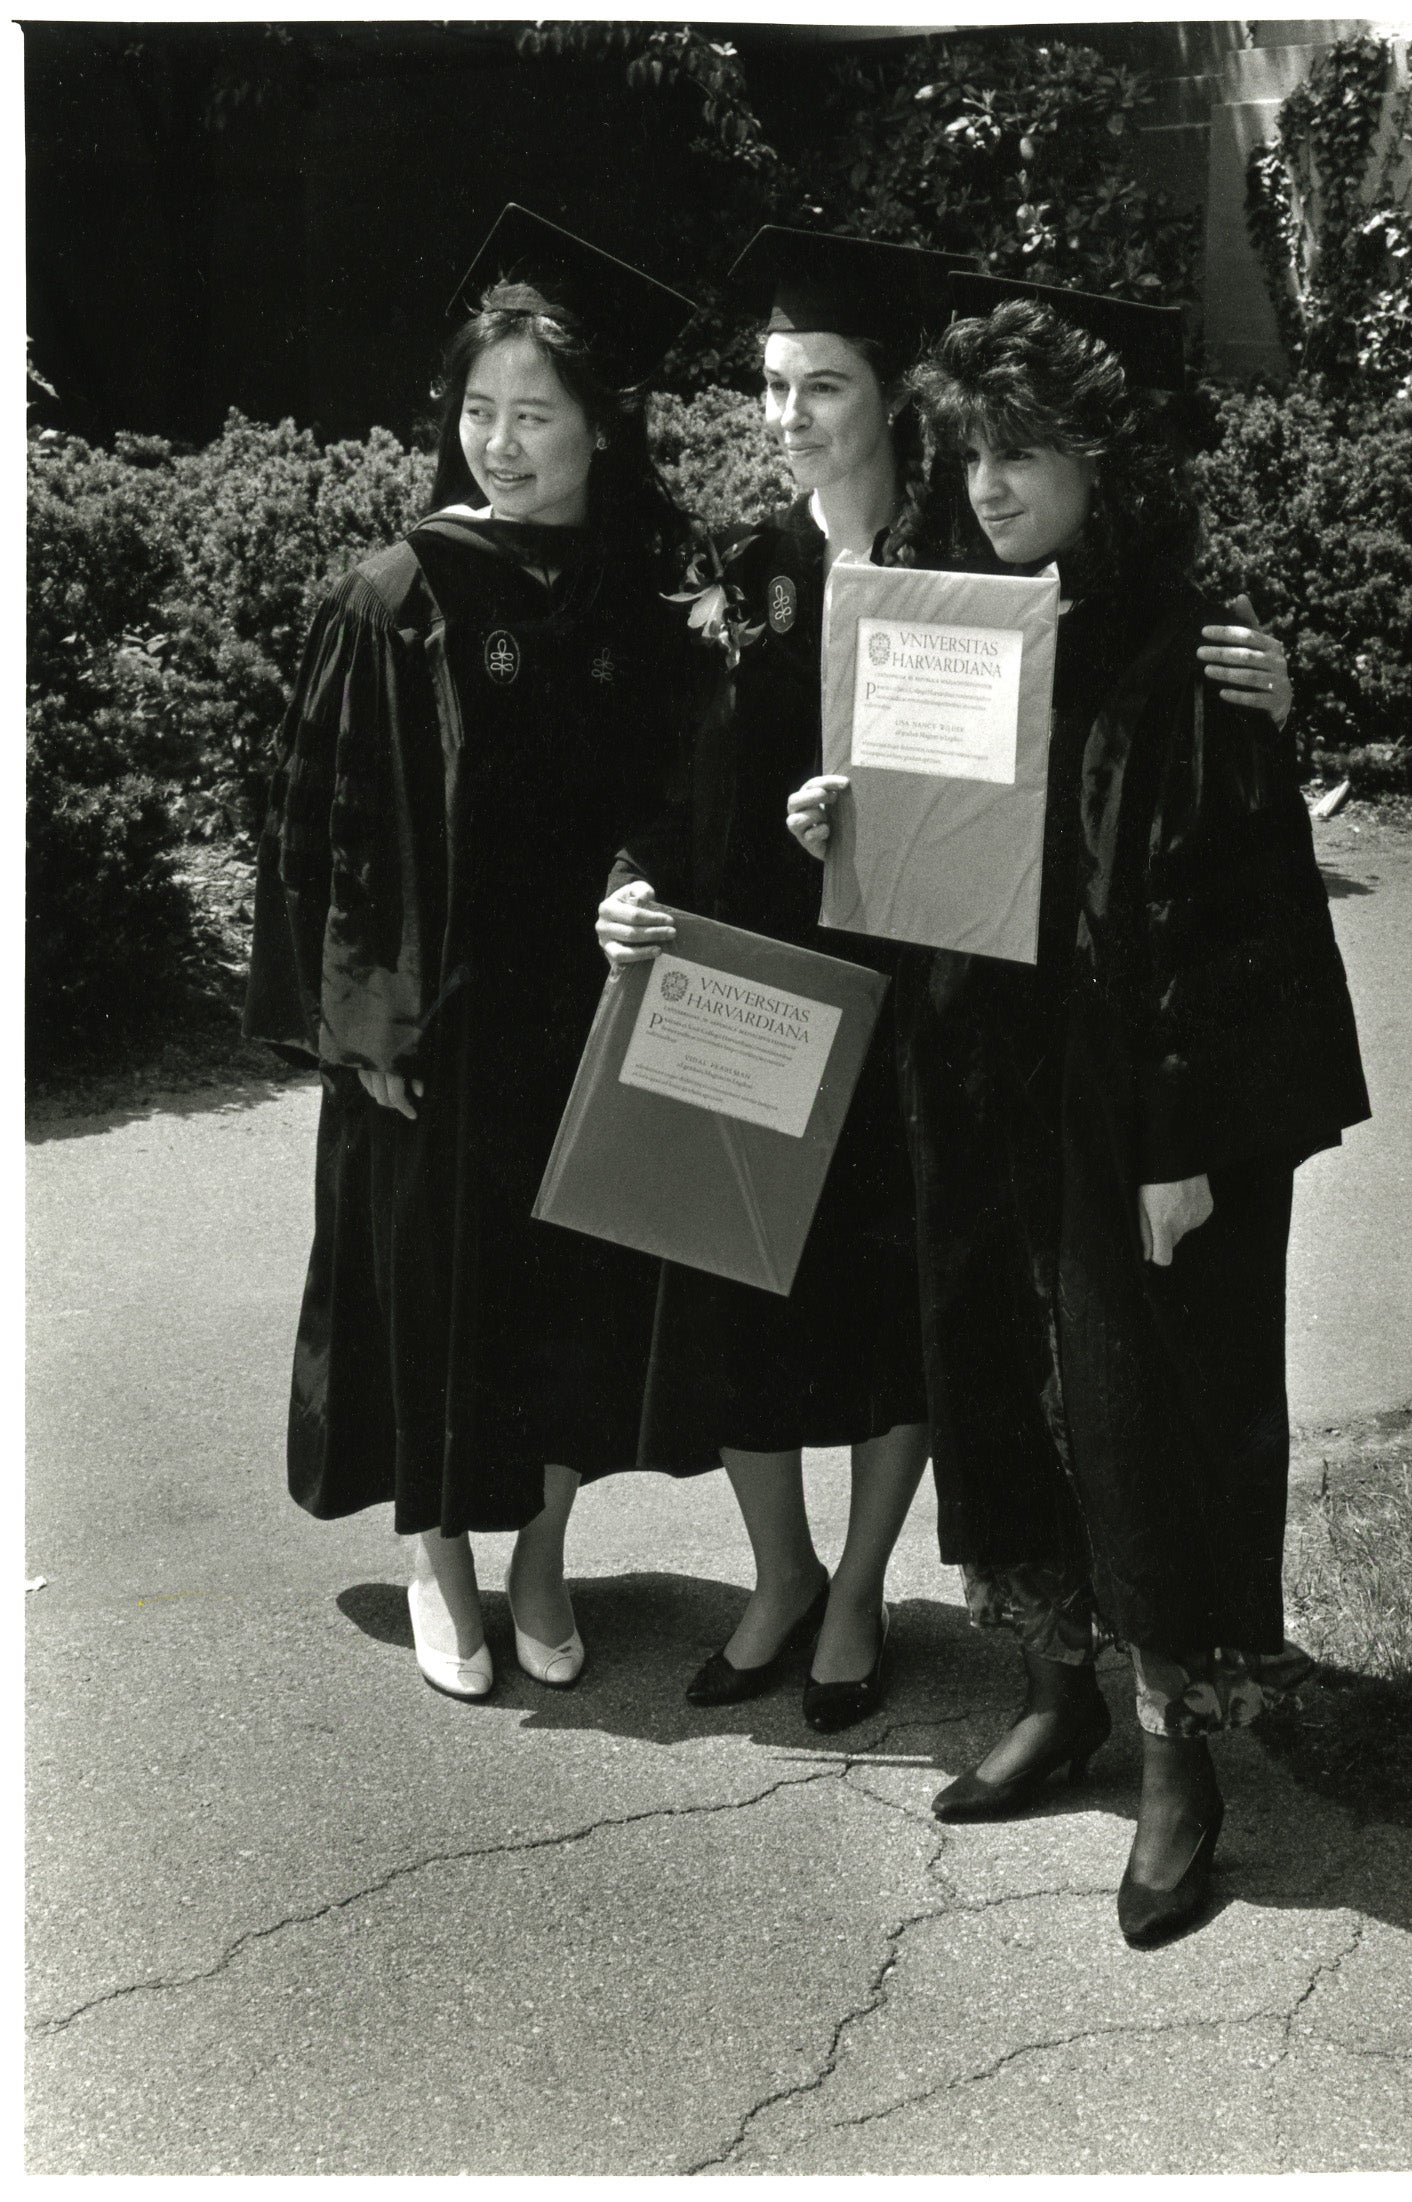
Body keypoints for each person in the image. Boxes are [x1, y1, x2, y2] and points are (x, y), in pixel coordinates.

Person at [796, 279, 1369, 1944]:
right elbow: (917, 871)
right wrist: (840, 813)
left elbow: (1241, 908)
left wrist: (1189, 1146)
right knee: (1000, 1383)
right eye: (973, 449)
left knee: (1149, 1408)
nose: (990, 483)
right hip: (986, 1089)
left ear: (1104, 461)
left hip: (1141, 1108)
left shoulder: (1193, 641)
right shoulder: (949, 623)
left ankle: (1185, 1751)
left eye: (1027, 452)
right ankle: (1062, 1687)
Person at [245, 206, 697, 1701]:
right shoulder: (398, 595)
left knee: (573, 1295)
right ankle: (440, 1554)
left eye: (536, 414)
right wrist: (365, 1029)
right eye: (479, 412)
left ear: (599, 428)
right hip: (436, 1028)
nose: (501, 444)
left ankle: (542, 1553)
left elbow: (678, 800)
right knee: (438, 1293)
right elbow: (325, 832)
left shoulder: (638, 604)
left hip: (588, 1011)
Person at [597, 228, 967, 1731]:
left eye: (824, 384)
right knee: (731, 1282)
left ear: (889, 396)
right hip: (755, 982)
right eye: (773, 385)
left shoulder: (966, 570)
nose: (791, 415)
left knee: (889, 1306)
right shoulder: (741, 576)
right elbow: (667, 784)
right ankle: (781, 1571)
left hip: (919, 996)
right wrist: (629, 880)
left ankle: (863, 1588)